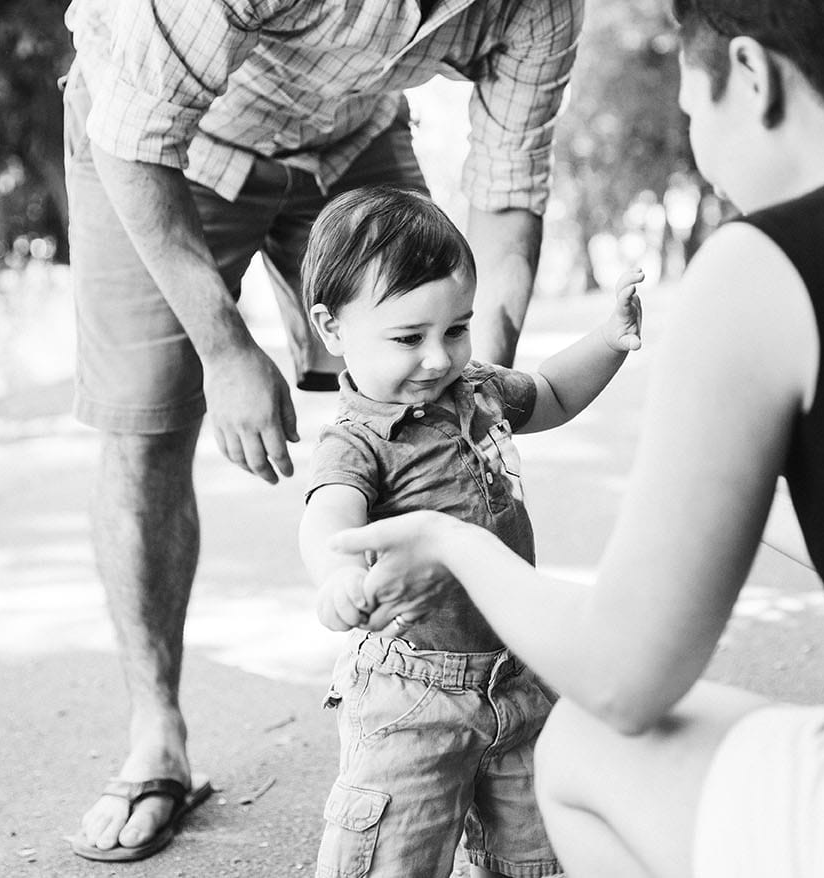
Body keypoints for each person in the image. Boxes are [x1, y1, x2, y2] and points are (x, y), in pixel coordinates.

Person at [326, 1, 824, 875]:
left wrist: (449, 542)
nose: (704, 156)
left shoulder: (770, 259)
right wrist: (726, 494)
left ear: (751, 76)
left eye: (691, 111)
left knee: (586, 743)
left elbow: (622, 677)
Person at [61, 0, 584, 861]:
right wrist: (227, 350)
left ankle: (433, 702)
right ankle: (156, 735)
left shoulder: (541, 7)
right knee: (147, 417)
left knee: (414, 329)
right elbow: (137, 132)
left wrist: (465, 378)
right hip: (162, 142)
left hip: (350, 129)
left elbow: (508, 186)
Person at [297, 185, 643, 878]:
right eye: (407, 337)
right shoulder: (358, 443)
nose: (437, 358)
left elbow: (552, 394)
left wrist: (609, 341)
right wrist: (338, 577)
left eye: (455, 328)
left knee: (538, 855)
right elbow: (328, 514)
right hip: (412, 696)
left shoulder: (476, 389)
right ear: (331, 329)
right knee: (395, 855)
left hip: (519, 674)